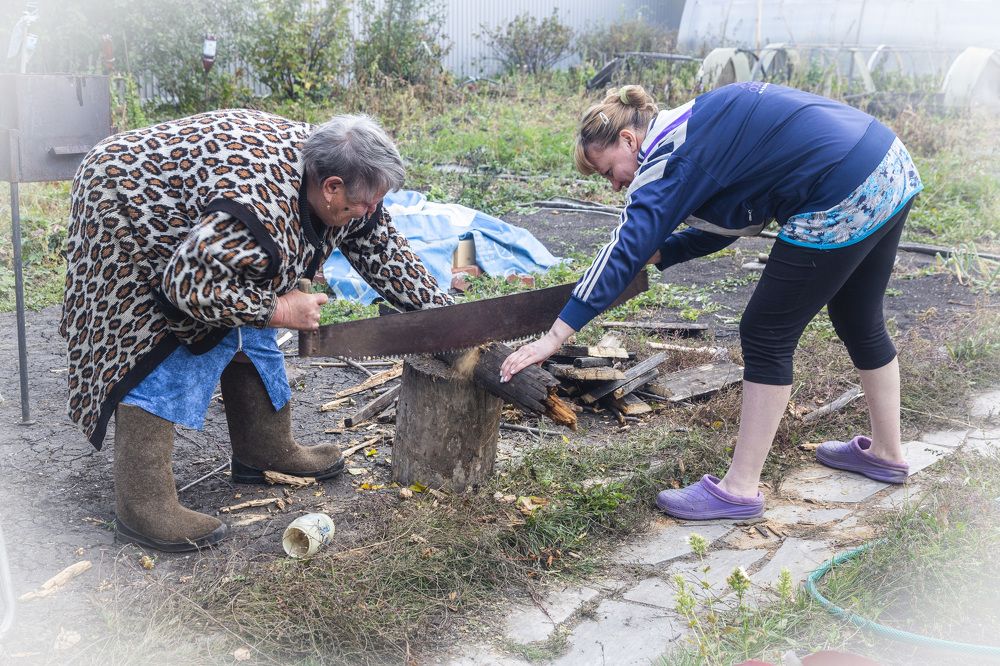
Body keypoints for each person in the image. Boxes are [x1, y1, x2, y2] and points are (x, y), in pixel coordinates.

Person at [500, 83, 922, 520]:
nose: (613, 185)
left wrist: (554, 336)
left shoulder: (668, 156)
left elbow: (625, 247)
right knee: (858, 316)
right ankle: (885, 454)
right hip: (885, 162)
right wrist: (665, 251)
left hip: (841, 187)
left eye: (608, 171)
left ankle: (738, 490)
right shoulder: (694, 126)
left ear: (629, 140)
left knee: (766, 332)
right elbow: (734, 221)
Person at [61, 110, 452, 551]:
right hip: (123, 198)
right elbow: (185, 286)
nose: (371, 211)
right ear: (331, 188)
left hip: (208, 211)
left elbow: (381, 246)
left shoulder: (343, 178)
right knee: (162, 342)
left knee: (256, 291)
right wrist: (279, 308)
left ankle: (263, 448)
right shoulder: (258, 211)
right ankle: (143, 503)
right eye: (365, 202)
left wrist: (446, 316)